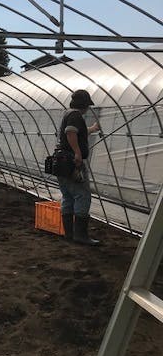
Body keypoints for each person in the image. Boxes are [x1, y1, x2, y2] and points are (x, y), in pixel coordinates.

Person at [57, 89, 101, 246]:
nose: (88, 108)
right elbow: (70, 132)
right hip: (72, 162)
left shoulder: (68, 114)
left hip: (62, 161)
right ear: (84, 105)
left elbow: (76, 132)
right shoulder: (75, 115)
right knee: (82, 195)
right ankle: (80, 235)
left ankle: (69, 234)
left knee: (68, 196)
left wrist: (92, 129)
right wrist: (77, 152)